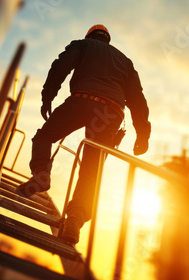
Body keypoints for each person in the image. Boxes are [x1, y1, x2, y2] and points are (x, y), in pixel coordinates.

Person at [16, 24, 151, 244]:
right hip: (111, 112)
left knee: (44, 137)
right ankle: (74, 222)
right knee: (90, 170)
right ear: (108, 39)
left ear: (90, 36)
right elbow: (137, 98)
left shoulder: (83, 45)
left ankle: (41, 173)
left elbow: (61, 65)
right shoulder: (125, 62)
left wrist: (48, 95)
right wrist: (142, 134)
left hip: (83, 100)